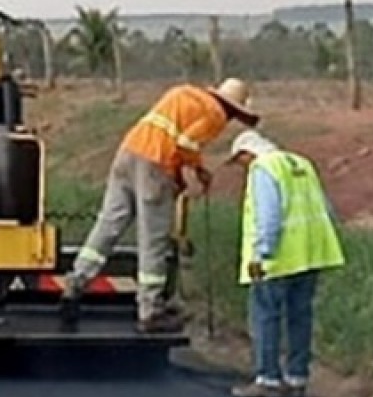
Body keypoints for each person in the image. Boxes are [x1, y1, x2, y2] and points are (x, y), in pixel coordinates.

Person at [58, 77, 258, 334]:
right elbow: (185, 144)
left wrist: (194, 168)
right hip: (155, 166)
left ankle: (75, 284)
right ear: (234, 109)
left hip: (127, 154)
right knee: (153, 240)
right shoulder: (215, 113)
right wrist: (194, 171)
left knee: (108, 225)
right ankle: (150, 311)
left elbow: (170, 134)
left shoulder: (184, 93)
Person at [226, 129, 345, 397]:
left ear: (247, 154)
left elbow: (269, 214)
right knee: (300, 317)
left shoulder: (263, 168)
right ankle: (297, 376)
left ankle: (268, 378)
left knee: (265, 316)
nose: (243, 169)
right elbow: (324, 207)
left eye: (240, 163)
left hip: (278, 259)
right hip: (310, 256)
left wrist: (261, 254)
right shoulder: (301, 163)